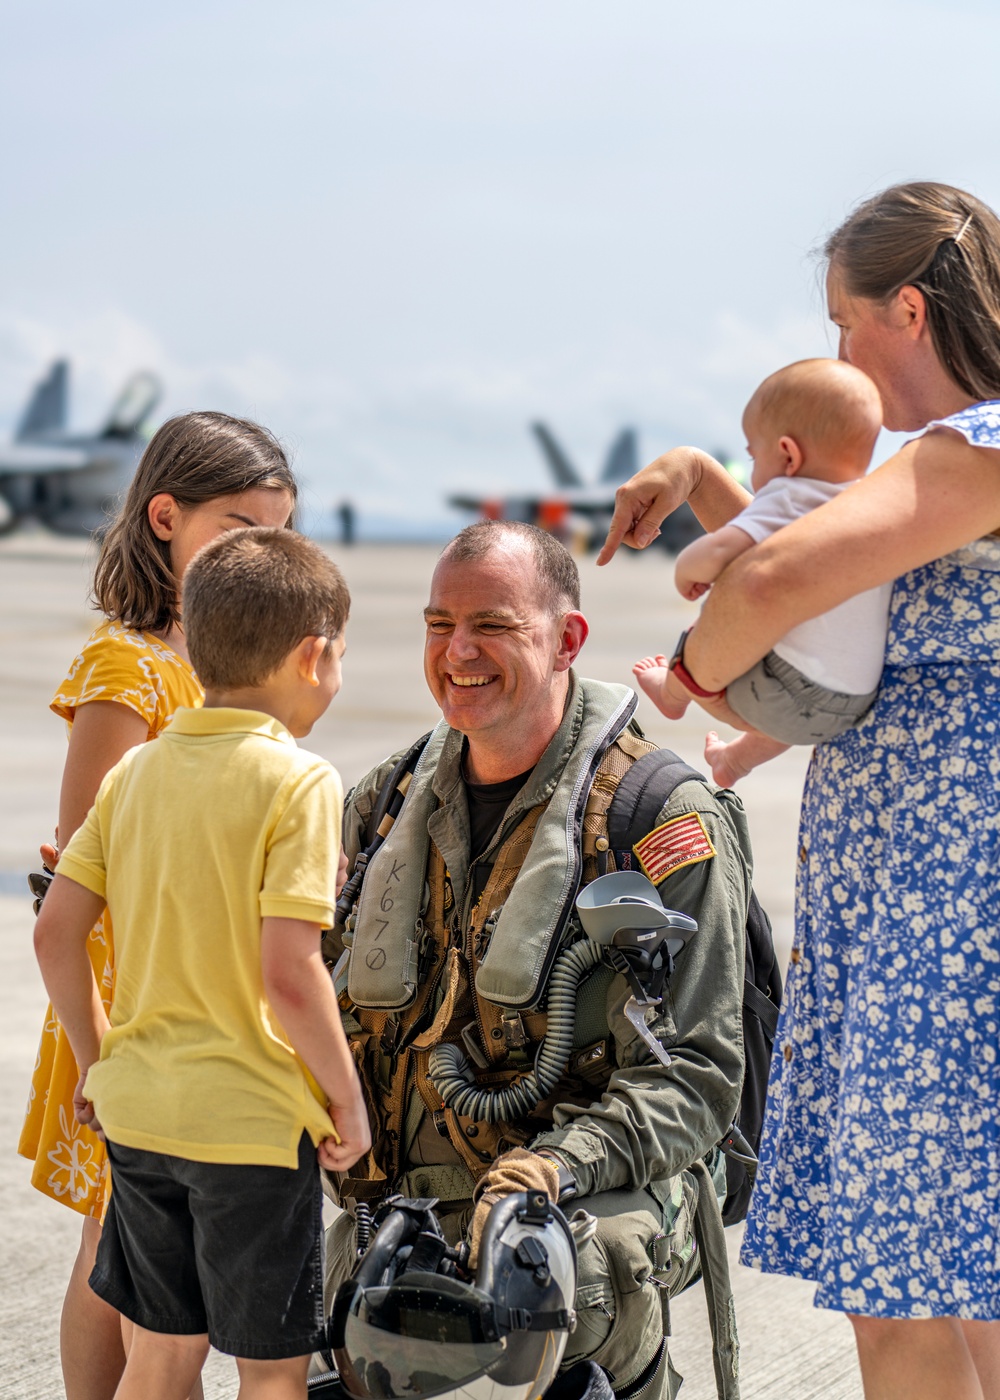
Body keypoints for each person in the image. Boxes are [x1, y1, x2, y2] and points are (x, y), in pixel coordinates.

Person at [597, 181, 1000, 1400]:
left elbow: (773, 585)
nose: (832, 354)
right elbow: (809, 545)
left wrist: (702, 679)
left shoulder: (970, 451)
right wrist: (699, 480)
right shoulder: (944, 469)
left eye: (841, 321)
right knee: (959, 1278)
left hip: (945, 903)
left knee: (903, 1287)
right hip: (916, 895)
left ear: (908, 312)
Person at [321, 519, 752, 1400]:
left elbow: (704, 1074)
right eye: (440, 625)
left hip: (585, 1190)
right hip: (408, 1200)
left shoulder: (658, 821)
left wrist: (553, 1165)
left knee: (564, 1274)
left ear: (567, 639)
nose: (458, 652)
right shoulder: (380, 810)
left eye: (493, 625)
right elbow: (303, 996)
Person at [33, 525, 371, 1400]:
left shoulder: (135, 771)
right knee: (269, 1370)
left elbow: (55, 933)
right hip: (251, 1126)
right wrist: (344, 1097)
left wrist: (102, 1060)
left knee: (162, 1350)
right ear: (314, 655)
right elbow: (289, 971)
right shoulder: (301, 781)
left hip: (140, 1114)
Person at [17, 411, 298, 1400]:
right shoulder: (127, 664)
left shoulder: (229, 661)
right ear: (165, 517)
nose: (255, 551)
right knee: (119, 1241)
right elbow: (79, 870)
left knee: (158, 1248)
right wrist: (102, 1048)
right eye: (235, 526)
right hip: (128, 999)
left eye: (274, 532)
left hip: (202, 989)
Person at [632, 358, 890, 787]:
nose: (754, 475)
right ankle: (736, 760)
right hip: (853, 700)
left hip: (786, 694)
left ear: (788, 454)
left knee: (715, 622)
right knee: (804, 667)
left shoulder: (789, 496)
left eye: (755, 455)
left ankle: (671, 693)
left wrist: (687, 572)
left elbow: (723, 547)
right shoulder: (871, 504)